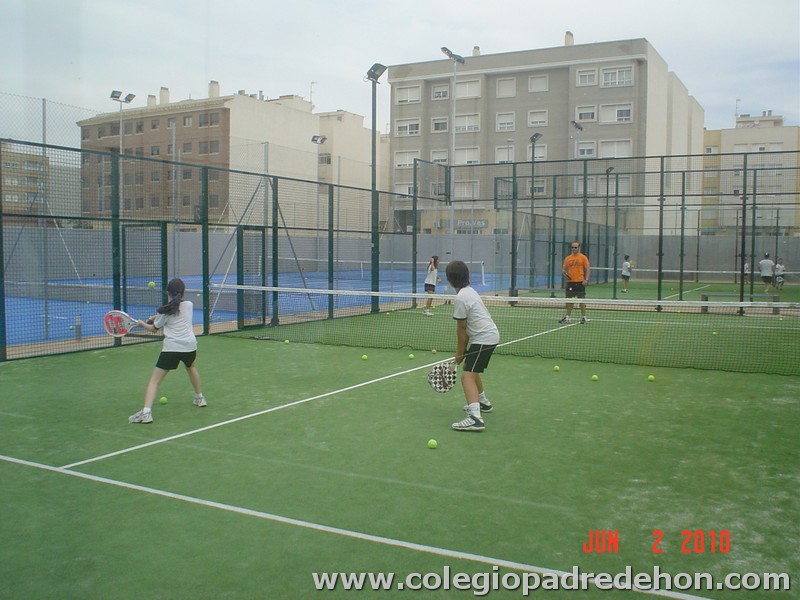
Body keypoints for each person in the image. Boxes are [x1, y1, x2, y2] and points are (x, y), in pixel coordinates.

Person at [129, 278, 206, 424]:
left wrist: (142, 324)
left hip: (172, 349)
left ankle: (146, 413)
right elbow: (173, 313)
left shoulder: (164, 312)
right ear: (183, 292)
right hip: (190, 347)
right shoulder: (189, 305)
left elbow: (153, 329)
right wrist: (156, 317)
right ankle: (200, 398)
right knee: (191, 367)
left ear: (167, 292)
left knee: (154, 381)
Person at [445, 260, 499, 432]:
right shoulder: (470, 291)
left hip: (483, 338)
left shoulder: (461, 297)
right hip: (487, 336)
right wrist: (463, 353)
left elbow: (462, 328)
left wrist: (459, 353)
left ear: (450, 279)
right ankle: (482, 402)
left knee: (466, 377)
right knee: (472, 370)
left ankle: (475, 418)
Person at [559, 241, 591, 324]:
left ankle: (583, 317)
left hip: (580, 282)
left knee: (582, 301)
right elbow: (564, 269)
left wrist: (586, 279)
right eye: (572, 247)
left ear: (579, 248)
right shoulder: (568, 258)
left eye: (575, 247)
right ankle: (568, 317)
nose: (573, 249)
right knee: (569, 300)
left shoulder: (583, 257)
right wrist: (564, 273)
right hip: (570, 283)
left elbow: (587, 269)